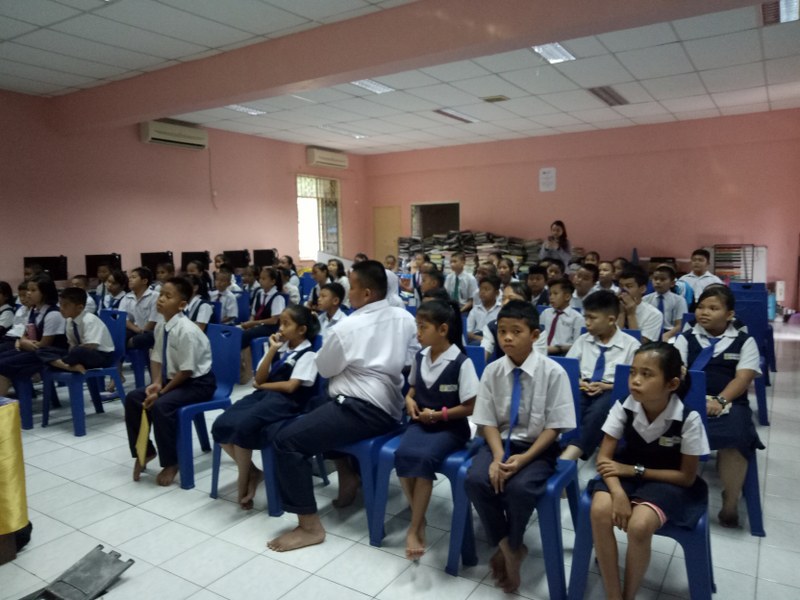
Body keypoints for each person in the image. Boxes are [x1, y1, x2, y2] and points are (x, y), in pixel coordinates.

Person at [268, 260, 418, 552]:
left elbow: (325, 368)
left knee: (286, 442)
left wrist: (355, 367)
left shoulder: (348, 326)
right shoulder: (405, 318)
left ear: (367, 293)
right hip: (390, 405)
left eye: (353, 287)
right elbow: (411, 360)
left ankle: (309, 527)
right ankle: (348, 476)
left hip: (361, 409)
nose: (349, 293)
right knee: (318, 407)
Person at [465, 300, 575, 593]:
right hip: (499, 443)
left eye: (516, 331)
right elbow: (487, 420)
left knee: (520, 488)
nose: (507, 338)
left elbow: (555, 427)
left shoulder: (553, 373)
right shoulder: (492, 371)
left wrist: (524, 459)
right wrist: (497, 456)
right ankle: (511, 548)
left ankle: (511, 546)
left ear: (535, 335)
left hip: (537, 448)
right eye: (502, 331)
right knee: (476, 479)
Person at [590, 343, 709, 600]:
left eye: (647, 374)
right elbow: (604, 458)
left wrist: (633, 471)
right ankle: (614, 595)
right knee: (599, 510)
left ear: (672, 384)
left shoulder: (688, 419)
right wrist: (618, 493)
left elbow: (686, 477)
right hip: (624, 471)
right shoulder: (624, 406)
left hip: (668, 480)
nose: (635, 380)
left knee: (640, 525)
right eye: (633, 372)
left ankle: (629, 594)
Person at [211, 306, 319, 509]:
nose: (281, 328)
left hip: (288, 402)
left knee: (243, 426)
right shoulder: (280, 349)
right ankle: (252, 471)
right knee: (221, 424)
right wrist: (271, 350)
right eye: (280, 323)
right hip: (264, 396)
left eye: (286, 324)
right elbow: (259, 378)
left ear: (301, 330)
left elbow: (291, 386)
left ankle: (244, 479)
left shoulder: (308, 354)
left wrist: (262, 386)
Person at [673, 286, 761, 527]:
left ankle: (730, 501)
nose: (704, 312)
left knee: (736, 438)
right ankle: (672, 492)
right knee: (668, 430)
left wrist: (720, 401)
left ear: (729, 314)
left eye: (713, 308)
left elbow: (743, 378)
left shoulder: (744, 341)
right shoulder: (685, 338)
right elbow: (677, 370)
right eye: (701, 307)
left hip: (729, 402)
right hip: (689, 399)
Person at [397, 299, 478, 559]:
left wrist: (439, 414)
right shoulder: (420, 356)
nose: (418, 333)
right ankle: (419, 519)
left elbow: (471, 406)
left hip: (451, 428)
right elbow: (412, 388)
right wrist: (409, 399)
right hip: (421, 423)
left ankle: (414, 527)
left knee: (423, 459)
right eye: (417, 326)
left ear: (443, 330)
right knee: (402, 455)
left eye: (423, 327)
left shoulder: (461, 362)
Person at [124, 277, 216, 486]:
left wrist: (161, 393)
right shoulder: (161, 326)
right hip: (173, 379)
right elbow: (156, 358)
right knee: (133, 398)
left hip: (198, 383)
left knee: (162, 405)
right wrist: (157, 383)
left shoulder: (187, 330)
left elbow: (186, 371)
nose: (161, 299)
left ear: (182, 305)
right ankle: (145, 451)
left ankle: (171, 462)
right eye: (161, 294)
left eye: (168, 296)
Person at [561, 290, 641, 462]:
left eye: (592, 318)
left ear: (611, 320)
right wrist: (579, 382)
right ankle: (562, 447)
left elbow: (634, 381)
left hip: (612, 390)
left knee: (598, 411)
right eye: (585, 317)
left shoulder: (631, 345)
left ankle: (571, 455)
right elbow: (567, 370)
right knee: (572, 405)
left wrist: (606, 386)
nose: (587, 322)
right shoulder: (583, 340)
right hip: (584, 386)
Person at [0, 275, 66, 397]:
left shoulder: (53, 314)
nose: (28, 293)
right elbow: (25, 334)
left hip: (49, 354)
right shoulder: (34, 310)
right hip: (33, 350)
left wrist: (24, 343)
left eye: (33, 290)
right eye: (28, 290)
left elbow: (44, 345)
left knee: (3, 364)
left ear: (45, 293)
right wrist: (23, 341)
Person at [38, 287, 115, 373]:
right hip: (79, 355)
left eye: (65, 305)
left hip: (101, 356)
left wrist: (71, 354)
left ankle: (62, 363)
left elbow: (91, 345)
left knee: (77, 351)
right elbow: (72, 344)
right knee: (42, 350)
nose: (61, 308)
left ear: (80, 308)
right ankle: (69, 366)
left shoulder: (89, 320)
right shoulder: (69, 321)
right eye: (60, 304)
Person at [240, 267, 286, 382]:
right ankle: (242, 366)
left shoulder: (278, 297)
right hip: (259, 325)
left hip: (272, 328)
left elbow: (274, 320)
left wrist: (254, 323)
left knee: (246, 335)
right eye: (260, 278)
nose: (261, 281)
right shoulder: (259, 294)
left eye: (264, 279)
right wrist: (249, 324)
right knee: (238, 332)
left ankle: (248, 371)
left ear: (273, 281)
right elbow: (253, 314)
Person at [480, 282, 528, 365]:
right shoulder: (492, 327)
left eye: (511, 299)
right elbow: (484, 353)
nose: (505, 303)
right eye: (503, 299)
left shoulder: (537, 330)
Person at [534, 278, 584, 356]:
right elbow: (538, 335)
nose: (551, 297)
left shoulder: (577, 318)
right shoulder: (545, 313)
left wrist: (558, 349)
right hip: (542, 353)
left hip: (564, 356)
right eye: (550, 294)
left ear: (567, 296)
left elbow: (578, 345)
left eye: (555, 293)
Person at [617, 265, 663, 343]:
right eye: (621, 286)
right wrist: (621, 314)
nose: (623, 291)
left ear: (642, 289)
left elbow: (640, 345)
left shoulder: (654, 314)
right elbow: (609, 340)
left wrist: (631, 315)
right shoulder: (610, 308)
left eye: (629, 286)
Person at [643, 264, 688, 341]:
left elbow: (680, 325)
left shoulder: (679, 300)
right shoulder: (645, 299)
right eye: (655, 279)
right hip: (650, 331)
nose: (658, 282)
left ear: (672, 283)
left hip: (670, 333)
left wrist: (667, 335)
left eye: (662, 279)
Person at [120, 267, 158, 350]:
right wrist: (137, 330)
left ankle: (129, 346)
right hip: (134, 330)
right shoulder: (126, 297)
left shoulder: (155, 296)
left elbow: (153, 320)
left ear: (144, 281)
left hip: (150, 331)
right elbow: (124, 319)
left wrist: (143, 332)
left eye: (133, 277)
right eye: (130, 277)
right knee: (120, 334)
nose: (130, 280)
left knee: (148, 336)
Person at [466, 274, 501, 344]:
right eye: (481, 289)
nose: (482, 292)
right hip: (477, 338)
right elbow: (468, 332)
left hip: (494, 339)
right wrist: (480, 338)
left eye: (486, 289)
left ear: (496, 293)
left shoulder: (501, 310)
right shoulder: (475, 310)